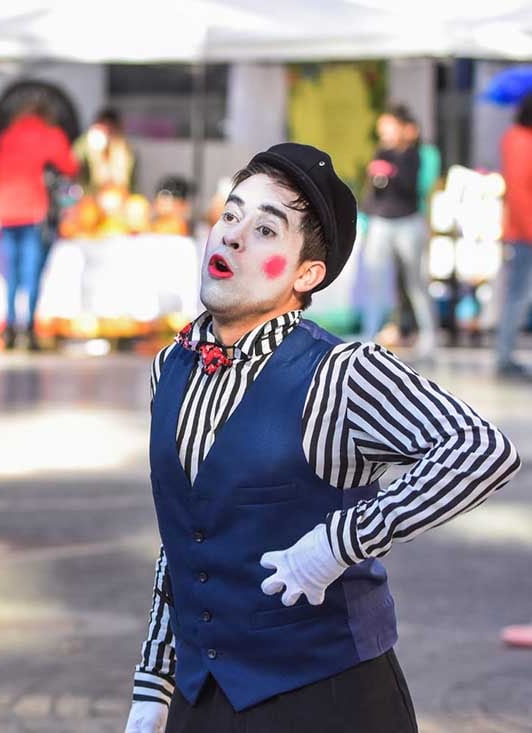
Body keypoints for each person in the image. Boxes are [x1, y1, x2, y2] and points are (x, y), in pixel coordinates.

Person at [124, 142, 520, 733]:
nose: (232, 236)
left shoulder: (341, 373)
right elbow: (184, 538)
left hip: (326, 698)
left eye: (265, 229)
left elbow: (483, 450)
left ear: (307, 274)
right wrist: (153, 686)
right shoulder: (170, 367)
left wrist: (340, 542)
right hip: (201, 698)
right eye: (231, 216)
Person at [0, 98, 78, 350]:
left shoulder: (6, 136)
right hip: (32, 209)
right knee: (31, 272)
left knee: (11, 274)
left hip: (4, 209)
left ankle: (8, 327)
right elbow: (69, 165)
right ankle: (28, 329)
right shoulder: (50, 134)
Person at [360, 105, 439, 361]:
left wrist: (390, 173)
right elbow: (373, 190)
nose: (384, 131)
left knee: (415, 282)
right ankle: (369, 332)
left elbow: (412, 187)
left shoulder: (415, 155)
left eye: (389, 125)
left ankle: (429, 335)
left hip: (407, 222)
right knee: (375, 280)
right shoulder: (381, 151)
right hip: (382, 223)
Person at [495, 92, 532, 379]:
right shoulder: (521, 141)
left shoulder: (515, 138)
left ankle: (506, 354)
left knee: (517, 294)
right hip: (524, 233)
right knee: (518, 295)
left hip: (520, 230)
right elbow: (519, 192)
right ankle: (505, 356)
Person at [74, 107, 137, 194]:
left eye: (111, 128)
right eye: (104, 127)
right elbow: (74, 160)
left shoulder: (124, 147)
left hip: (119, 194)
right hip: (92, 194)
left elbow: (129, 178)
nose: (107, 131)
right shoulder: (87, 143)